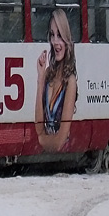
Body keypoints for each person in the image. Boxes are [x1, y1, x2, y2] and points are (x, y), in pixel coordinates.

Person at [34, 8, 78, 152]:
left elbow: (60, 141)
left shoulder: (70, 81)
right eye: (52, 35)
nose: (55, 42)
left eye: (59, 35)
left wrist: (43, 140)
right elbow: (39, 128)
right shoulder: (48, 74)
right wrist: (40, 79)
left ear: (66, 38)